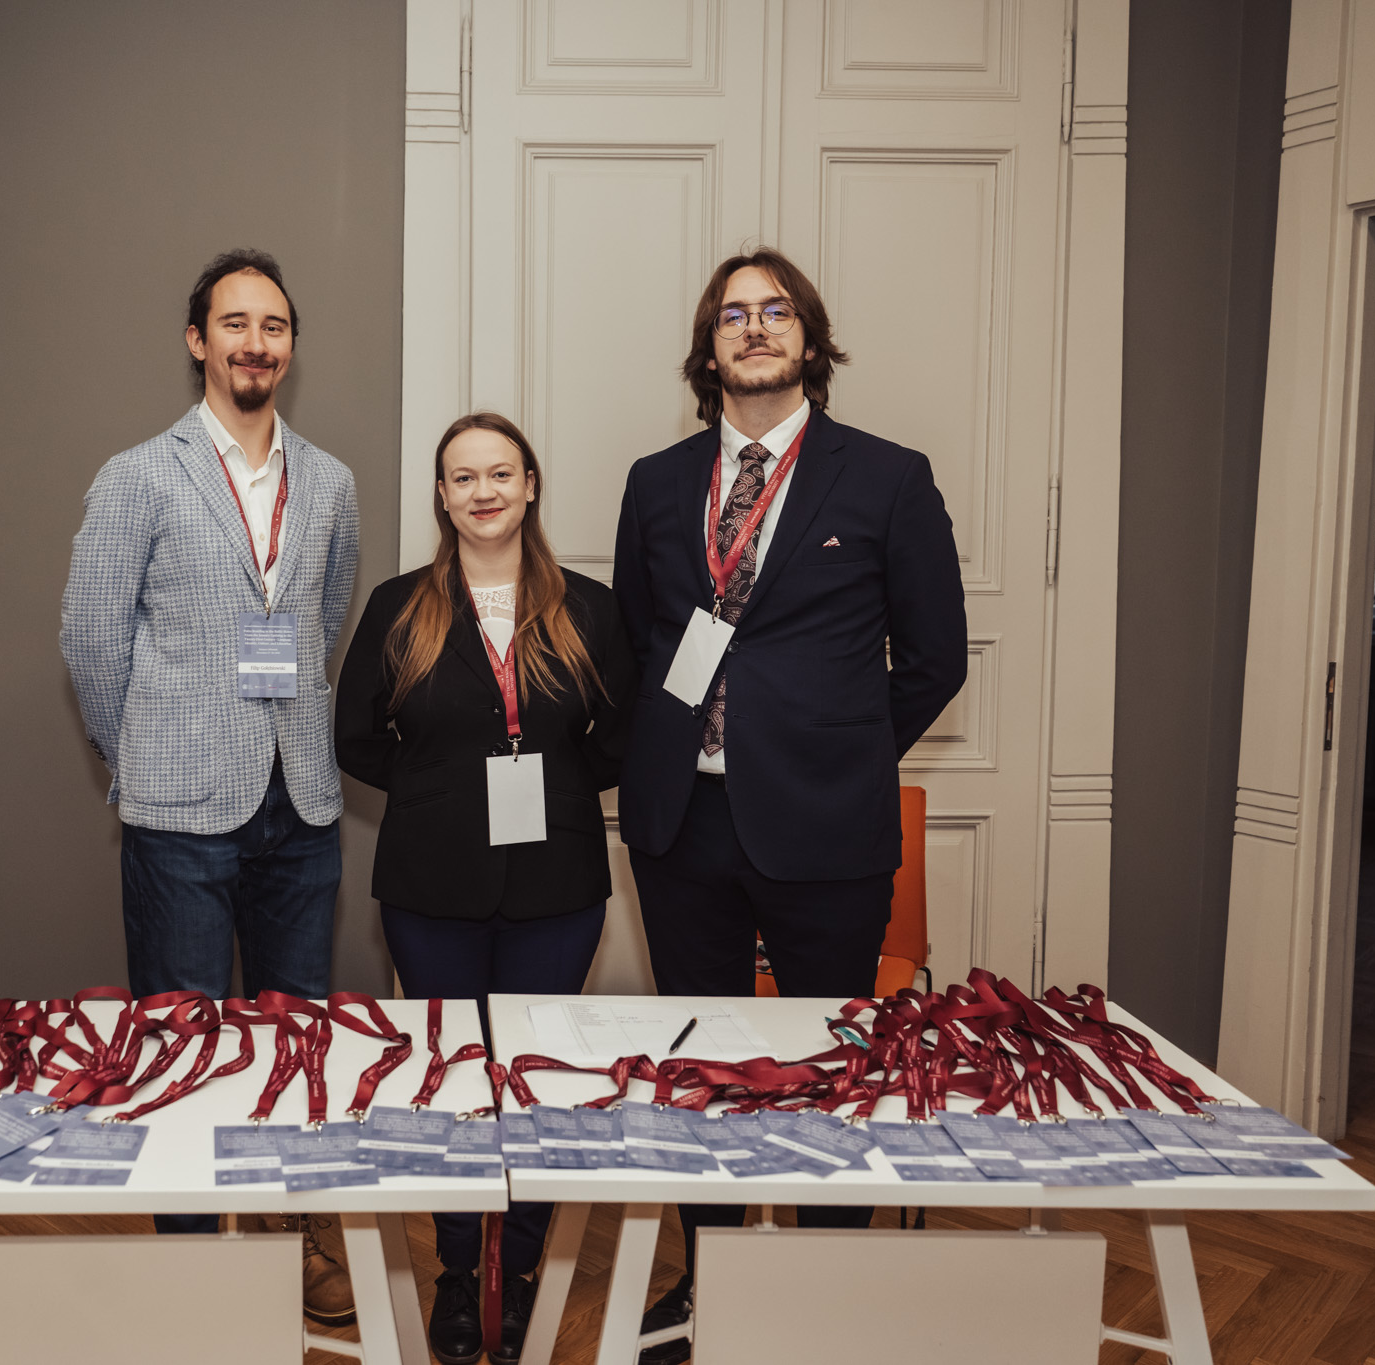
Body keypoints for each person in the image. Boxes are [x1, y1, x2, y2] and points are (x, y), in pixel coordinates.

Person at [611, 248, 966, 1362]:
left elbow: (936, 656)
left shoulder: (888, 477)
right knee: (699, 1070)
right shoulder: (656, 482)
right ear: (707, 348)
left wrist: (838, 754)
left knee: (828, 1069)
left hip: (824, 826)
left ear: (809, 340)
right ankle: (707, 1282)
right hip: (681, 825)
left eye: (775, 312)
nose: (754, 328)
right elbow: (641, 641)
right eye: (733, 315)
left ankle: (821, 1295)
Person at [60, 247, 360, 1323]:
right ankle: (190, 1272)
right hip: (179, 811)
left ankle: (295, 1239)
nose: (254, 343)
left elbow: (324, 618)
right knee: (179, 1047)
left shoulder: (329, 483)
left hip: (302, 804)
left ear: (290, 346)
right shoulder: (138, 475)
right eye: (234, 324)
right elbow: (91, 638)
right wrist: (143, 756)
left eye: (272, 326)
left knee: (294, 1039)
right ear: (198, 342)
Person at [337, 412, 637, 1365]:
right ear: (442, 495)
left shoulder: (590, 607)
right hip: (430, 884)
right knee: (456, 1081)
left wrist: (554, 787)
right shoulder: (399, 606)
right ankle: (461, 1276)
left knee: (536, 1081)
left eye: (500, 473)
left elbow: (620, 738)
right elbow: (355, 736)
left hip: (558, 884)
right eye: (463, 477)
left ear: (530, 484)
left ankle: (525, 1266)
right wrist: (441, 791)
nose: (483, 492)